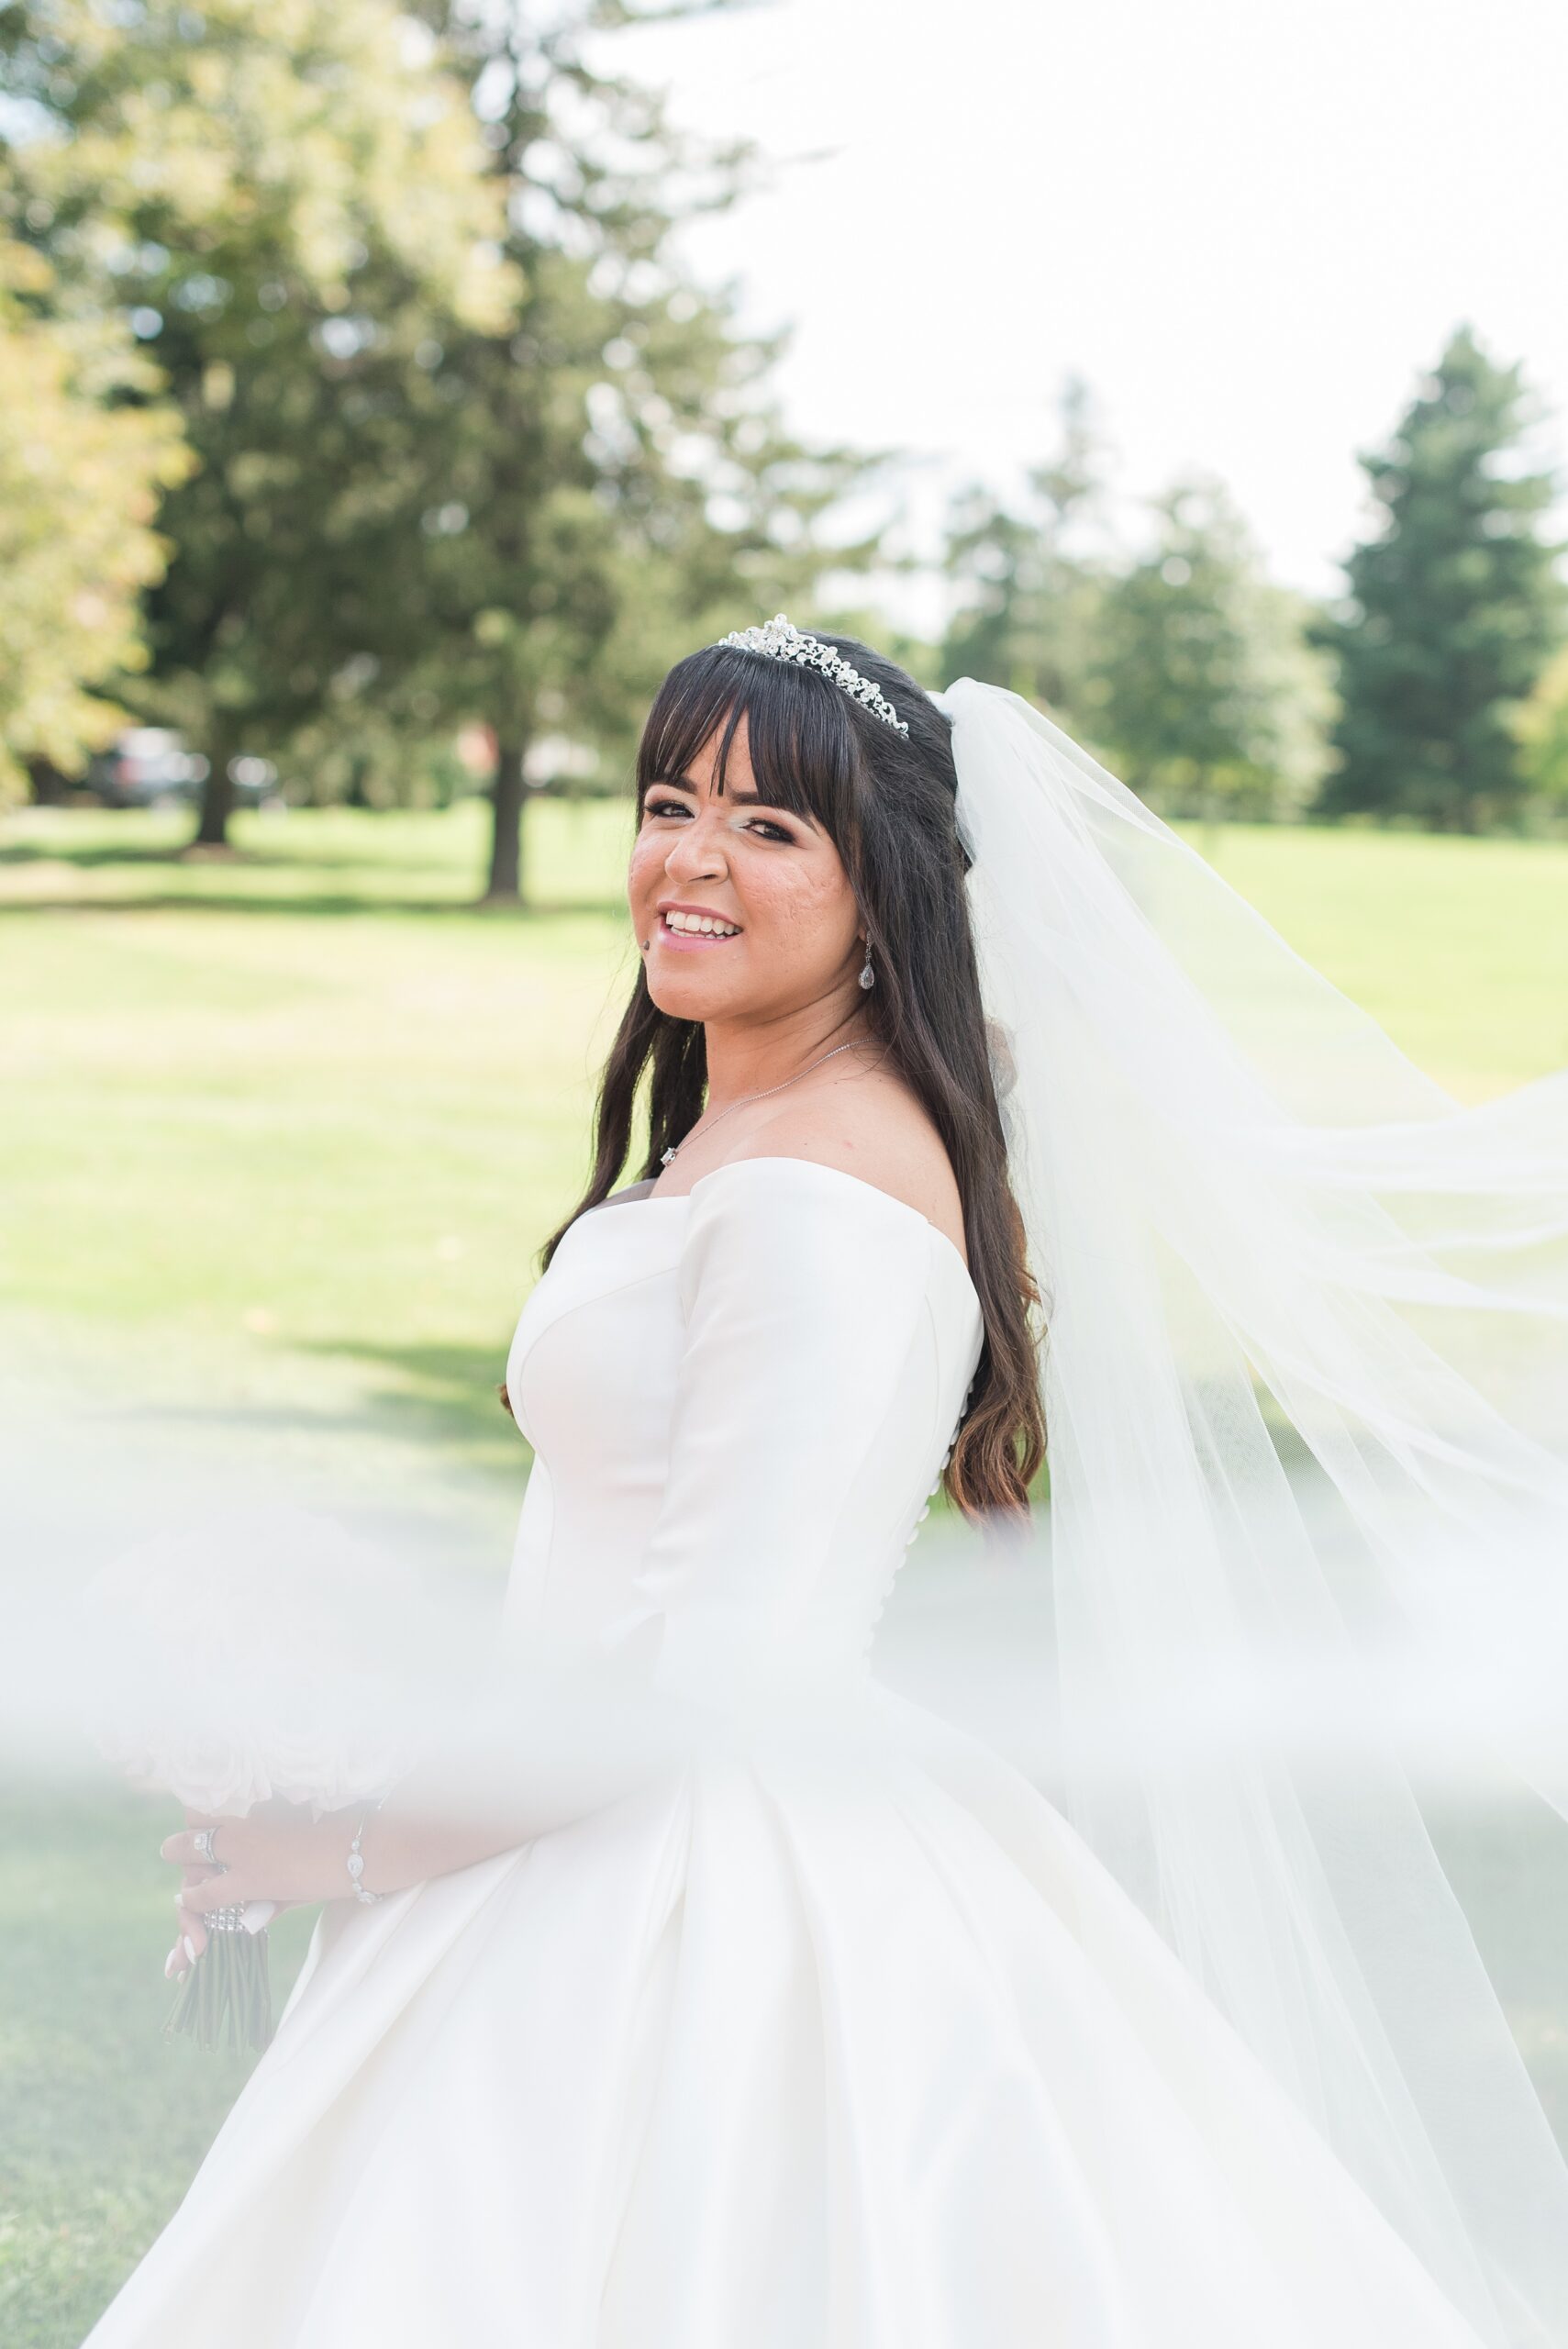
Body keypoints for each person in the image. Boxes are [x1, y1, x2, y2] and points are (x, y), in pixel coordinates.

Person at [83, 618, 1568, 2346]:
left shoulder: (829, 1189)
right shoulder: (745, 1124)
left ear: (886, 894)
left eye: (770, 828)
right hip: (569, 1810)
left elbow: (711, 1670)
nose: (688, 861)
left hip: (688, 1892)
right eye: (666, 802)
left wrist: (346, 1843)